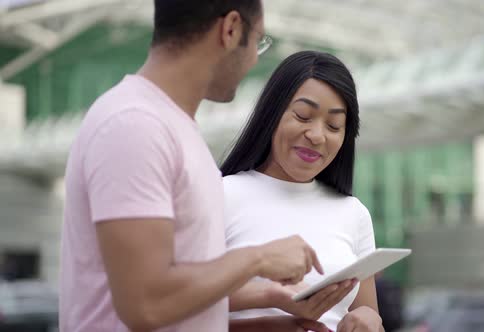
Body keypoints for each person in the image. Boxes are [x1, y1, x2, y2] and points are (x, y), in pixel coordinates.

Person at [59, 2, 330, 332]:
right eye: (258, 40)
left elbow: (179, 296)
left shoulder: (173, 128)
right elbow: (146, 303)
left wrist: (260, 324)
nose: (255, 58)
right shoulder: (134, 126)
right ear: (230, 29)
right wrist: (258, 259)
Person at [221, 51, 385, 332]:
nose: (317, 135)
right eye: (303, 116)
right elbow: (174, 307)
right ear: (271, 114)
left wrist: (372, 321)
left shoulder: (353, 213)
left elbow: (366, 313)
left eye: (334, 125)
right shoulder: (219, 195)